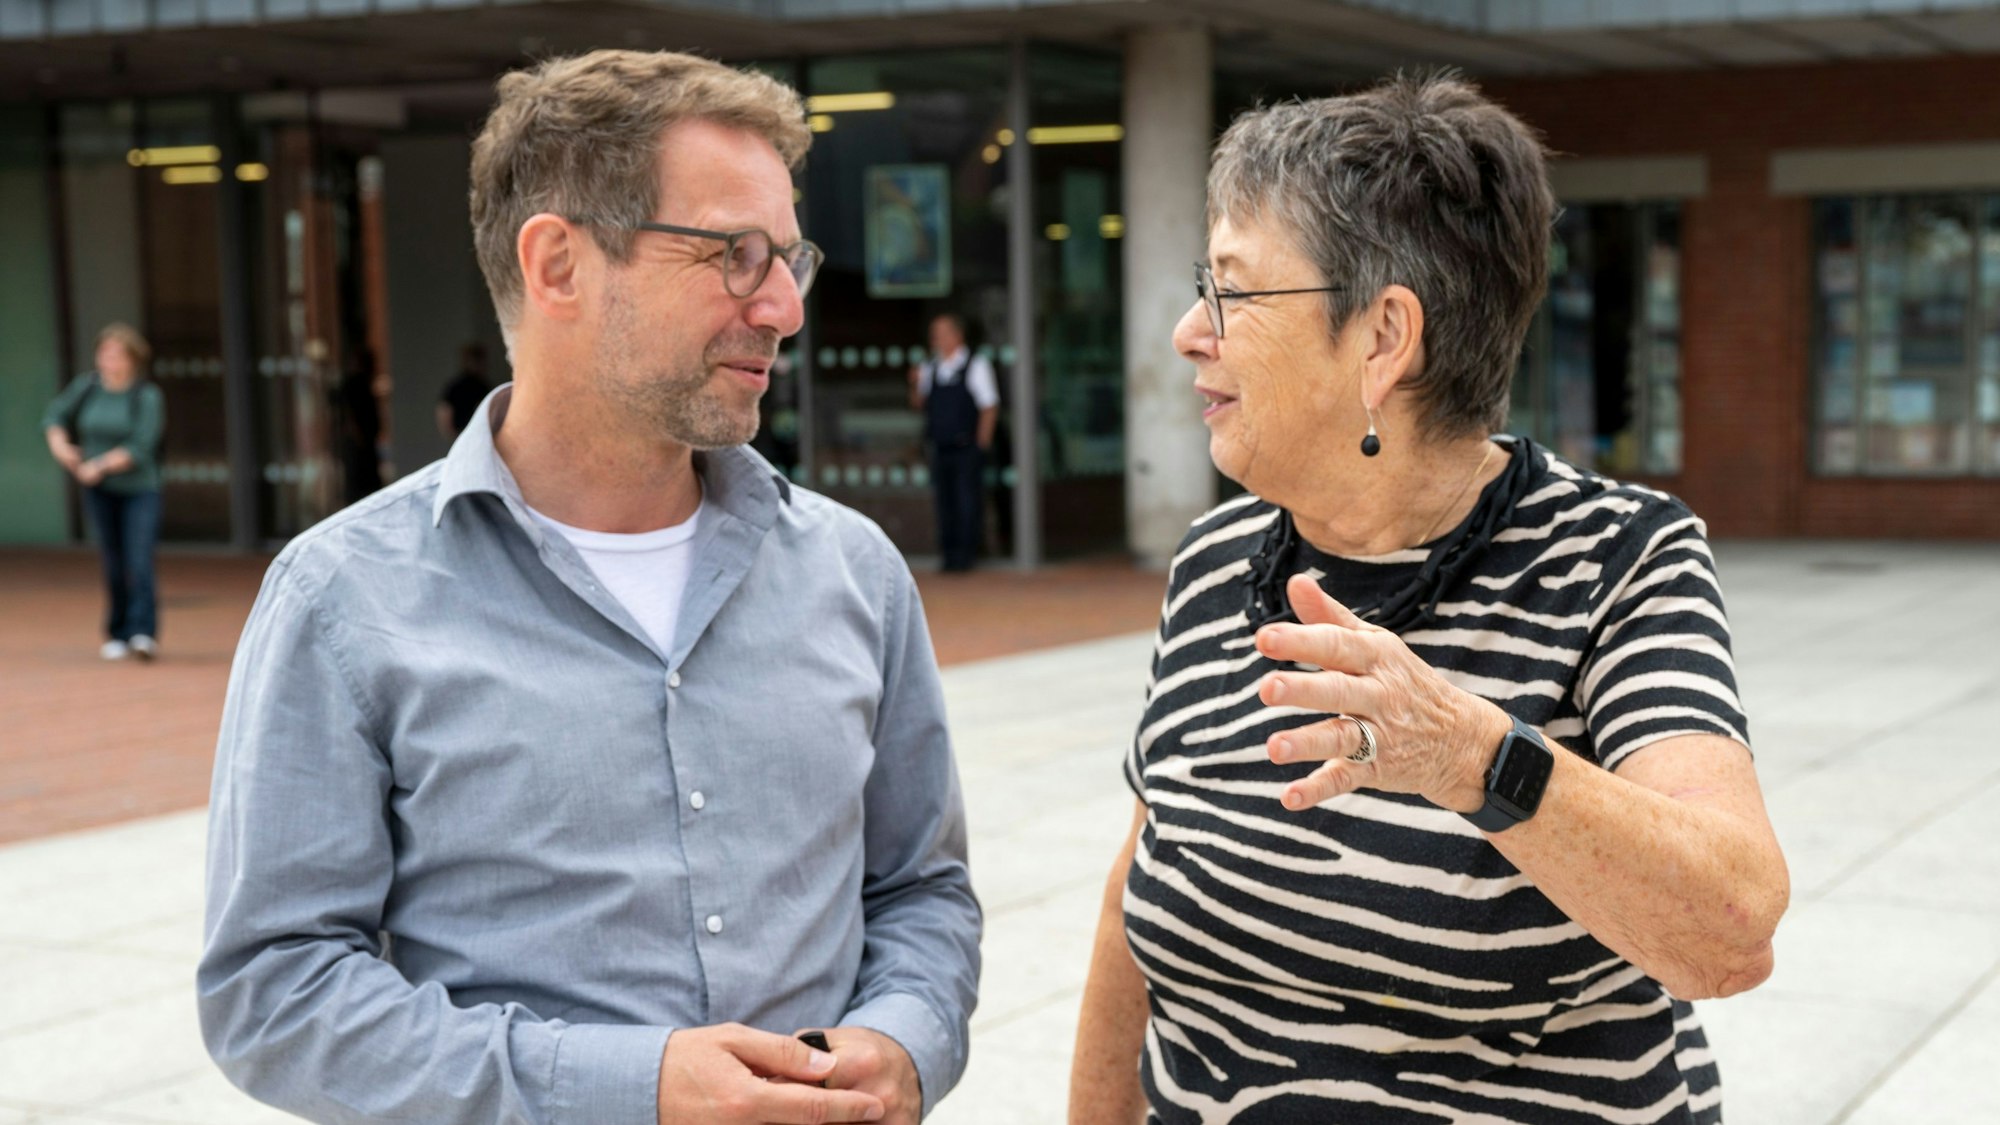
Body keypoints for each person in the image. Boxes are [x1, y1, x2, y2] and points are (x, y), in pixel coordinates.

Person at [199, 50, 980, 1125]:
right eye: (736, 255)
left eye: (790, 256)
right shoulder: (342, 602)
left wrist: (904, 1040)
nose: (785, 308)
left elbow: (920, 894)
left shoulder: (855, 572)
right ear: (558, 264)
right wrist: (629, 1088)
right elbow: (273, 992)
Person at [1069, 74, 1787, 1125]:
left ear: (1380, 340)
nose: (1189, 330)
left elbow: (1730, 929)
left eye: (1230, 289)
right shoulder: (1217, 558)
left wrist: (1470, 756)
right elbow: (1139, 887)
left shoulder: (1613, 558)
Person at [41, 323, 166, 661]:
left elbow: (141, 446)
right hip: (99, 492)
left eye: (115, 353)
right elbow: (54, 416)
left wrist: (99, 466)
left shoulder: (146, 396)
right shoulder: (86, 388)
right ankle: (118, 632)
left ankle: (143, 632)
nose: (107, 359)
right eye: (103, 352)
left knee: (138, 560)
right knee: (112, 561)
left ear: (132, 359)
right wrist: (61, 447)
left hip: (139, 489)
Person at [906, 313, 998, 572]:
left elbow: (989, 406)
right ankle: (949, 555)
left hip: (966, 447)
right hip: (940, 446)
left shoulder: (975, 365)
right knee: (944, 504)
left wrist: (981, 445)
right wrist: (913, 384)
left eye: (942, 332)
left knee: (968, 501)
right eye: (934, 333)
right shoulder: (930, 367)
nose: (936, 338)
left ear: (957, 335)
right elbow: (918, 404)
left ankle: (968, 556)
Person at [436, 341, 492, 440]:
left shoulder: (482, 386)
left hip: (474, 433)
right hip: (467, 432)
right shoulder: (460, 386)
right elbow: (445, 410)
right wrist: (451, 433)